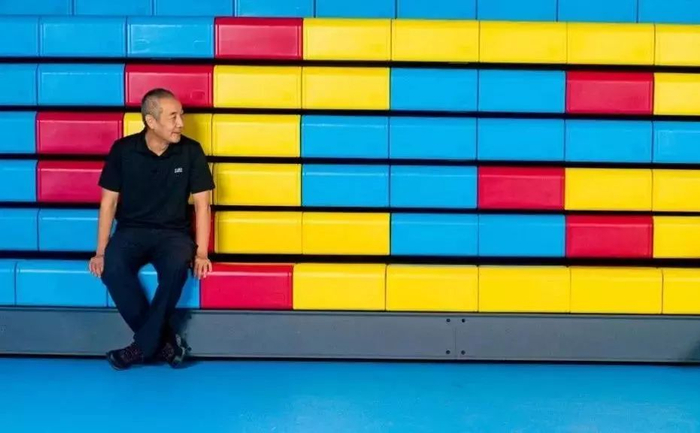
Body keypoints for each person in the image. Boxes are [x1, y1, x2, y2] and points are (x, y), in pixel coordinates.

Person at [88, 88, 215, 370]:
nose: (181, 123)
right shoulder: (123, 150)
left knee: (176, 269)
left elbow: (202, 205)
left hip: (174, 234)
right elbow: (108, 203)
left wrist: (202, 253)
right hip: (131, 231)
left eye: (181, 116)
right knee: (112, 268)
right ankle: (165, 344)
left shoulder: (191, 151)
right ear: (151, 121)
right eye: (173, 117)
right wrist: (100, 251)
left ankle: (141, 348)